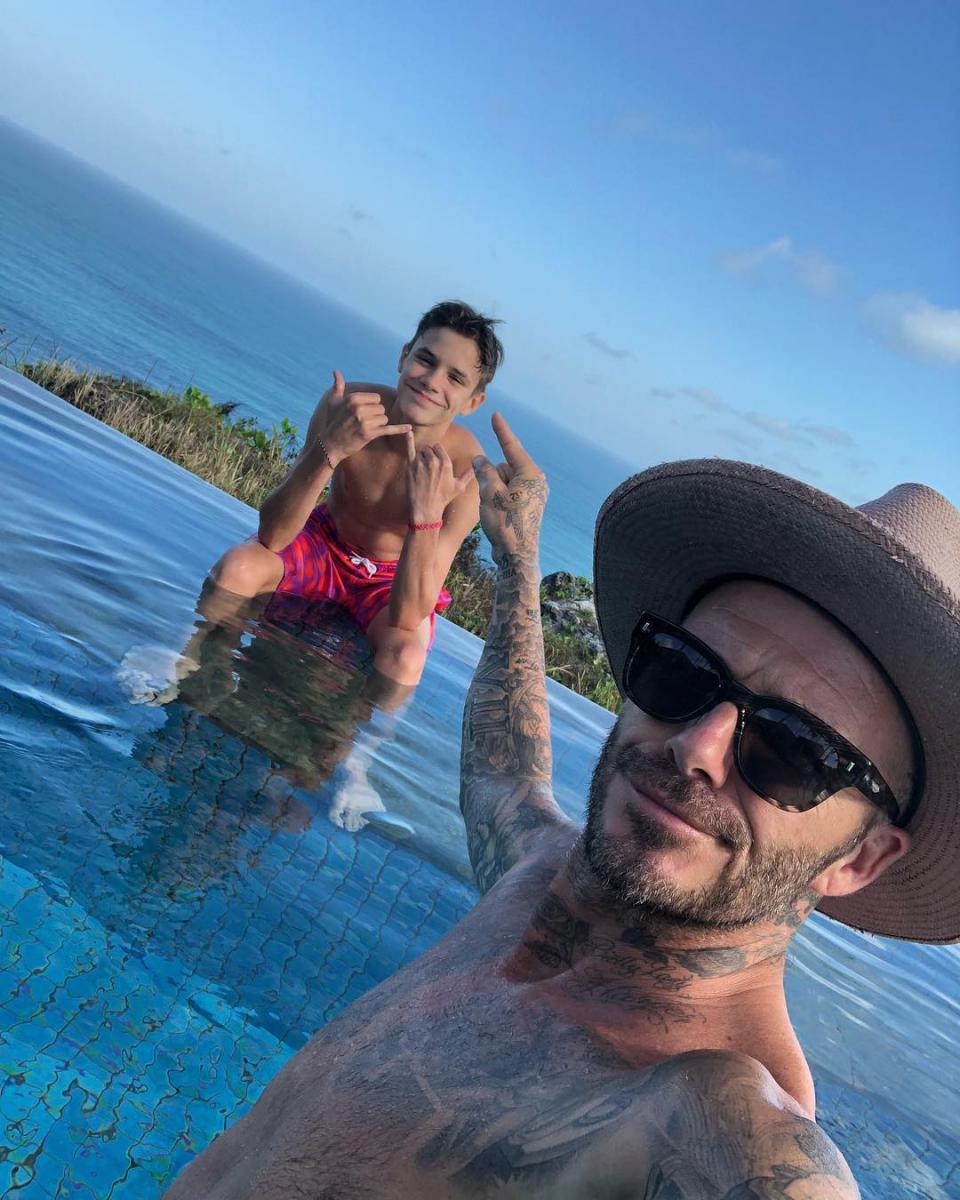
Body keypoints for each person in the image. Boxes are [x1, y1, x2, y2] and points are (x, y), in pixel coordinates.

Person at [162, 420, 960, 1198]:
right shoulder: (536, 874)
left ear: (861, 859)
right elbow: (505, 765)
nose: (697, 746)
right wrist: (518, 563)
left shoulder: (708, 1111)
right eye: (681, 671)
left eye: (793, 749)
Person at [204, 299, 504, 687]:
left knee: (405, 658)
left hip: (393, 576)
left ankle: (359, 728)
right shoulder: (350, 408)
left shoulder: (465, 473)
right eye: (425, 360)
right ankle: (196, 669)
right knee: (236, 569)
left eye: (455, 378)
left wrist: (426, 516)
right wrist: (329, 450)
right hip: (324, 541)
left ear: (473, 402)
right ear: (404, 356)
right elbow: (273, 535)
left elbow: (408, 615)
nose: (433, 381)